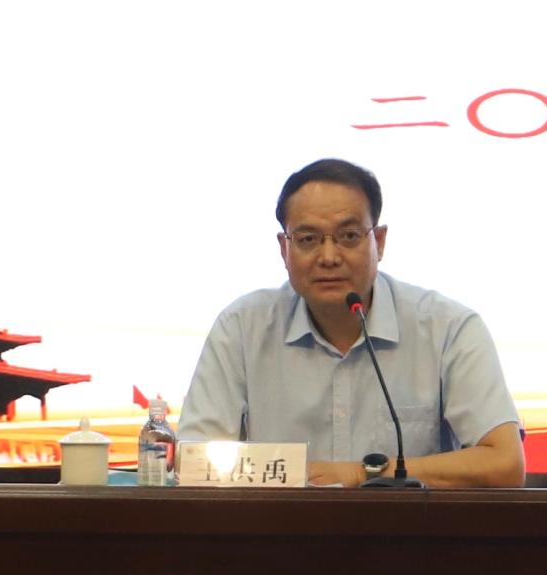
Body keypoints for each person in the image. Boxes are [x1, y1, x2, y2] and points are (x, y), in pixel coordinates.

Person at [178, 158, 524, 488]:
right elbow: (192, 461)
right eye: (308, 239)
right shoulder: (241, 329)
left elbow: (505, 464)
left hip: (408, 531)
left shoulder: (448, 328)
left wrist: (363, 474)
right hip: (275, 529)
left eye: (348, 236)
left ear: (379, 242)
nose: (329, 257)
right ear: (284, 249)